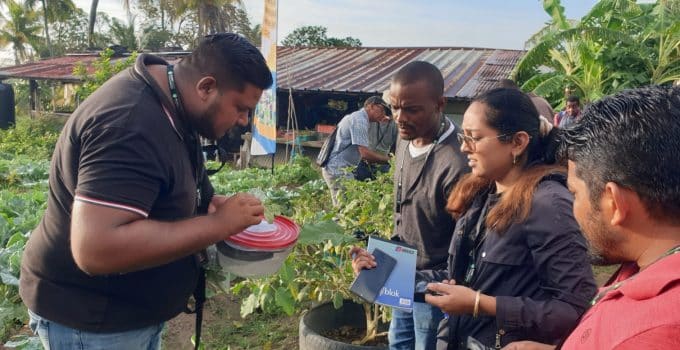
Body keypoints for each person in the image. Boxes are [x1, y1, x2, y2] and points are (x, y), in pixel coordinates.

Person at [19, 33, 272, 349]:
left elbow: (155, 187)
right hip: (93, 322)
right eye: (240, 108)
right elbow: (95, 248)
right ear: (206, 87)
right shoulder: (129, 124)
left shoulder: (173, 101)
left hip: (127, 314)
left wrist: (207, 205)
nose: (243, 121)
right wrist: (217, 225)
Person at [411, 88, 597, 349]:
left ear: (518, 142)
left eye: (474, 138)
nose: (464, 147)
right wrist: (385, 274)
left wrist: (481, 304)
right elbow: (462, 277)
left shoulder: (547, 204)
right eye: (463, 136)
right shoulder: (483, 193)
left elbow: (573, 308)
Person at [503, 85, 680, 350]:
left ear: (614, 202)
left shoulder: (650, 335)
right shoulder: (643, 264)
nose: (572, 207)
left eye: (574, 193)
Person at [352, 61, 470, 350]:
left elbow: (465, 244)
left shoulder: (457, 162)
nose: (400, 118)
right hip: (400, 270)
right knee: (398, 343)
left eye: (412, 109)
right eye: (395, 107)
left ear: (439, 104)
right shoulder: (405, 140)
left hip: (434, 286)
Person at [322, 96, 392, 204]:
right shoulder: (359, 121)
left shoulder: (357, 117)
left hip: (339, 169)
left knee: (345, 208)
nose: (384, 114)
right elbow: (364, 154)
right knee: (345, 210)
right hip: (338, 170)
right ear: (371, 106)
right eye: (382, 110)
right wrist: (390, 160)